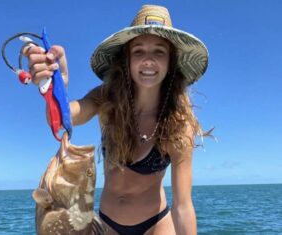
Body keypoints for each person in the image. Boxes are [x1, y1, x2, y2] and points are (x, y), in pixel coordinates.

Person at [24, 4, 210, 235]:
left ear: (170, 62)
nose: (148, 60)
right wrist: (56, 86)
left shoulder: (179, 125)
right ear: (127, 60)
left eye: (159, 52)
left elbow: (182, 206)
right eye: (139, 51)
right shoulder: (106, 99)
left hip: (157, 225)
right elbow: (62, 119)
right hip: (107, 225)